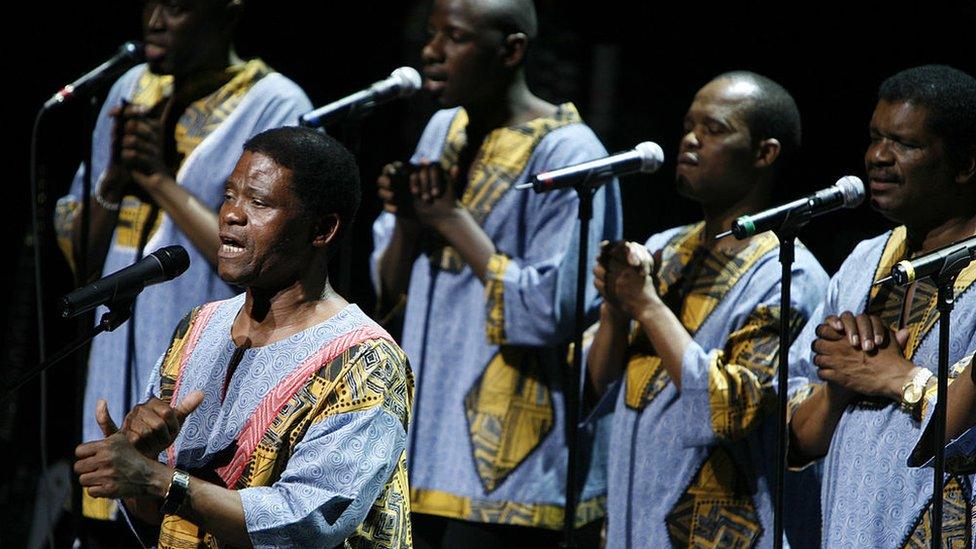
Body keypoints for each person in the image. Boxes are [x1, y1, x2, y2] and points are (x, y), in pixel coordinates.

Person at [74, 127, 413, 548]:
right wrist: (138, 469)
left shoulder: (367, 360)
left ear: (322, 229)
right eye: (230, 195)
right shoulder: (199, 327)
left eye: (258, 201)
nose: (232, 214)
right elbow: (161, 517)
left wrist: (158, 479)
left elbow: (307, 523)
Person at [371, 0, 621, 544]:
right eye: (431, 34)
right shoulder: (443, 129)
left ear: (511, 50)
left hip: (507, 458)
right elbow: (389, 290)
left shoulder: (569, 150)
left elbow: (553, 308)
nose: (432, 52)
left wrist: (451, 219)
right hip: (421, 439)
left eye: (455, 38)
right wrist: (411, 225)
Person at [53, 0, 312, 524]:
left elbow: (267, 257)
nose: (153, 21)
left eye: (176, 7)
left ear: (228, 12)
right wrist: (114, 181)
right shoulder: (131, 89)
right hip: (115, 353)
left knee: (179, 512)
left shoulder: (275, 102)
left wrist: (157, 179)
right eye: (148, 3)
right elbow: (84, 264)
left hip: (201, 359)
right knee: (103, 513)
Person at [585, 71, 828, 547]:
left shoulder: (787, 273)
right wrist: (616, 311)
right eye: (688, 126)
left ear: (765, 153)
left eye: (714, 130)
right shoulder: (664, 249)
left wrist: (648, 307)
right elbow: (599, 384)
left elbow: (731, 412)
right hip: (634, 524)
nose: (690, 140)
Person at [788, 64, 976, 546]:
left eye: (905, 144)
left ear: (966, 163)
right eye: (875, 137)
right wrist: (839, 385)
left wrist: (898, 378)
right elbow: (798, 439)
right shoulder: (862, 261)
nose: (877, 157)